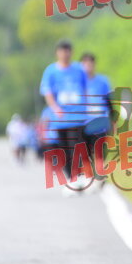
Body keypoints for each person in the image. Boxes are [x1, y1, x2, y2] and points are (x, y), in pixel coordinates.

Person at [40, 40, 88, 187]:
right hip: (60, 117)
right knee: (64, 149)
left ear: (71, 52)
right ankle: (71, 178)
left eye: (67, 51)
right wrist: (55, 108)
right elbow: (47, 92)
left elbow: (85, 88)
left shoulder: (79, 69)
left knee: (77, 146)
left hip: (77, 116)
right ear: (57, 53)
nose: (65, 54)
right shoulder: (51, 71)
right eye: (62, 51)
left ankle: (79, 175)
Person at [80, 52, 114, 182]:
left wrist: (112, 121)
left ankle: (100, 178)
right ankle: (88, 177)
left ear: (94, 65)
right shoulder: (77, 83)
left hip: (100, 123)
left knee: (99, 153)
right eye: (85, 63)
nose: (88, 66)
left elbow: (110, 102)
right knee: (85, 153)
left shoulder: (103, 81)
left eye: (90, 63)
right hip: (83, 123)